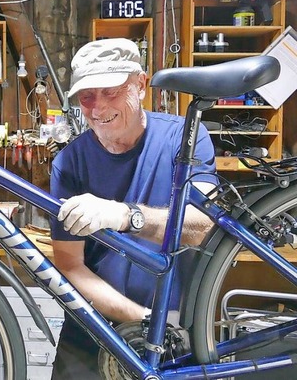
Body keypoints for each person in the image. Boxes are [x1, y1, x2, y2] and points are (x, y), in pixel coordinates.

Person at [49, 38, 219, 379]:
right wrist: (141, 319)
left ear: (140, 84)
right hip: (92, 327)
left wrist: (126, 216)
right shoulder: (69, 162)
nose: (97, 108)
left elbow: (205, 227)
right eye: (86, 96)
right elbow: (70, 265)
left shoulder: (184, 140)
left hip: (173, 330)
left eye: (110, 91)